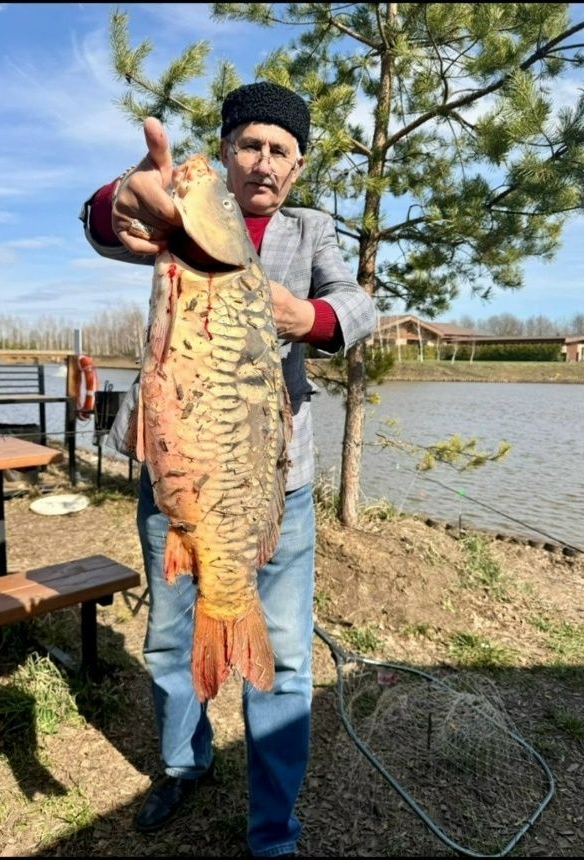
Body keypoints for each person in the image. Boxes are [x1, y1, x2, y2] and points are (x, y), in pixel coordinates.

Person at [79, 81, 376, 857]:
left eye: (280, 150)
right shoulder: (186, 220)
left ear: (297, 166)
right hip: (176, 475)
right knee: (168, 639)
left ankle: (272, 826)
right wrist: (119, 197)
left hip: (274, 483)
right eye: (250, 145)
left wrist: (309, 317)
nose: (263, 162)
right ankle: (184, 765)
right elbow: (110, 221)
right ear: (229, 151)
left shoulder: (311, 231)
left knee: (284, 657)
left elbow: (359, 306)